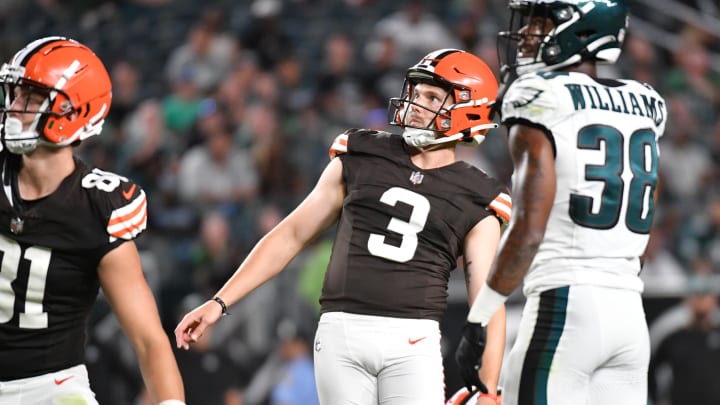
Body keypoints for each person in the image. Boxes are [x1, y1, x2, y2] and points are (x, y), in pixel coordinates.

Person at [175, 48, 512, 405]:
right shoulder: (362, 153)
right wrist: (219, 302)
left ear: (469, 109)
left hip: (413, 339)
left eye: (431, 96)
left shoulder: (479, 195)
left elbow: (488, 301)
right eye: (416, 92)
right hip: (342, 333)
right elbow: (290, 235)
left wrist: (488, 389)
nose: (415, 103)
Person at [453, 1, 667, 405]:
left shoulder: (540, 95)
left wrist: (480, 318)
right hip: (629, 313)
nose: (529, 34)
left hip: (565, 305)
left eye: (541, 22)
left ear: (582, 31)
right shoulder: (647, 102)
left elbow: (529, 228)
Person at [0, 36, 185, 405]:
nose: (15, 107)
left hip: (51, 388)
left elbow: (148, 339)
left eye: (32, 98)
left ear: (74, 112)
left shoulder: (97, 208)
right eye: (15, 95)